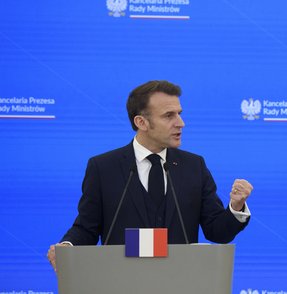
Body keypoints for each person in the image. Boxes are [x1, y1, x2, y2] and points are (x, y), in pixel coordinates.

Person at [47, 80, 252, 273]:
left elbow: (217, 232)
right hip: (121, 287)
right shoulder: (103, 167)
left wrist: (235, 207)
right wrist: (66, 247)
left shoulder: (194, 166)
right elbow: (87, 228)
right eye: (168, 116)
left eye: (179, 113)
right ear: (141, 122)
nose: (181, 123)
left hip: (181, 288)